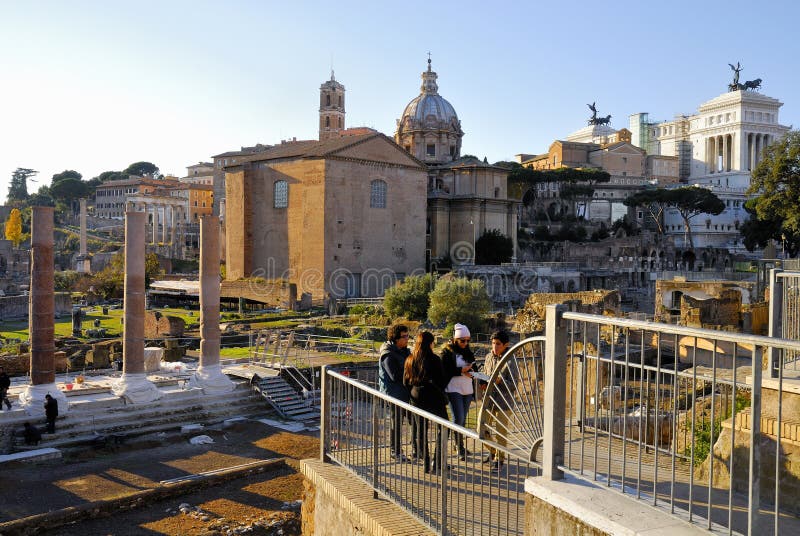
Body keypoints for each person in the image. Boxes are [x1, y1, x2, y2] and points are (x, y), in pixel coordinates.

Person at [404, 331, 449, 474]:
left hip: (416, 397)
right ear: (430, 343)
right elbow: (442, 381)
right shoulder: (434, 359)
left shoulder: (410, 359)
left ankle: (426, 462)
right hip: (434, 397)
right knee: (443, 428)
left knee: (421, 430)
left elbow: (405, 382)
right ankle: (437, 460)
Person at [440, 323, 476, 460]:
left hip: (467, 389)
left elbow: (474, 368)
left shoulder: (468, 352)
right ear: (455, 339)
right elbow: (445, 369)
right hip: (453, 388)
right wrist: (461, 371)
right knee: (458, 418)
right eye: (462, 341)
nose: (465, 343)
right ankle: (459, 447)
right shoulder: (447, 352)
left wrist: (472, 372)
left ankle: (458, 444)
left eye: (468, 340)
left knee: (463, 419)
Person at [482, 330, 515, 472]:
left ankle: (499, 460)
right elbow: (485, 374)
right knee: (481, 430)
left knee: (501, 433)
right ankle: (494, 451)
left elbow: (513, 384)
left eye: (498, 344)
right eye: (493, 343)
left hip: (503, 402)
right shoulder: (489, 356)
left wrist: (500, 381)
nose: (494, 347)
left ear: (505, 345)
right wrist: (482, 382)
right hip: (488, 400)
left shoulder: (510, 360)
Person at [378, 323, 411, 462]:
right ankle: (395, 451)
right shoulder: (388, 354)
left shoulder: (404, 351)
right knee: (396, 423)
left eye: (408, 335)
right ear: (396, 338)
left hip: (405, 392)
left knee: (412, 421)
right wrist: (412, 373)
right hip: (394, 394)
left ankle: (416, 450)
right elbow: (394, 375)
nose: (407, 339)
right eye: (404, 336)